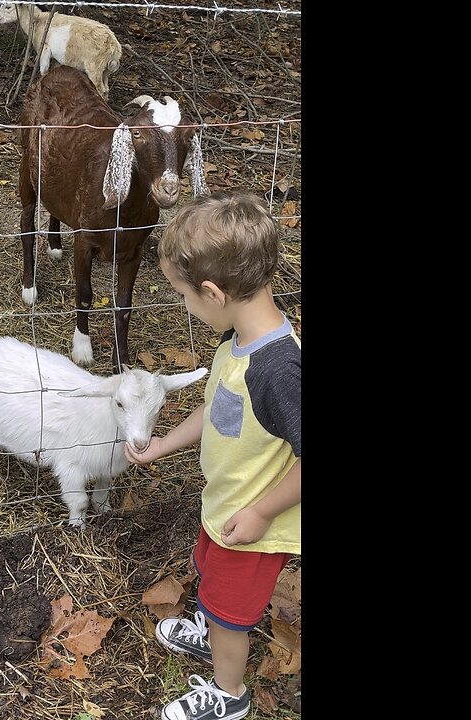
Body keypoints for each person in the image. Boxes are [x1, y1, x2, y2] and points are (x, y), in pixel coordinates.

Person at [126, 190, 301, 720]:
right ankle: (212, 629)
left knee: (231, 606)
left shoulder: (278, 373)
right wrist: (163, 445)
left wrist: (261, 511)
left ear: (211, 291)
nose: (184, 306)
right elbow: (217, 408)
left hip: (253, 525)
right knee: (209, 570)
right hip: (227, 505)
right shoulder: (237, 343)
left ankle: (230, 693)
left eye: (183, 295)